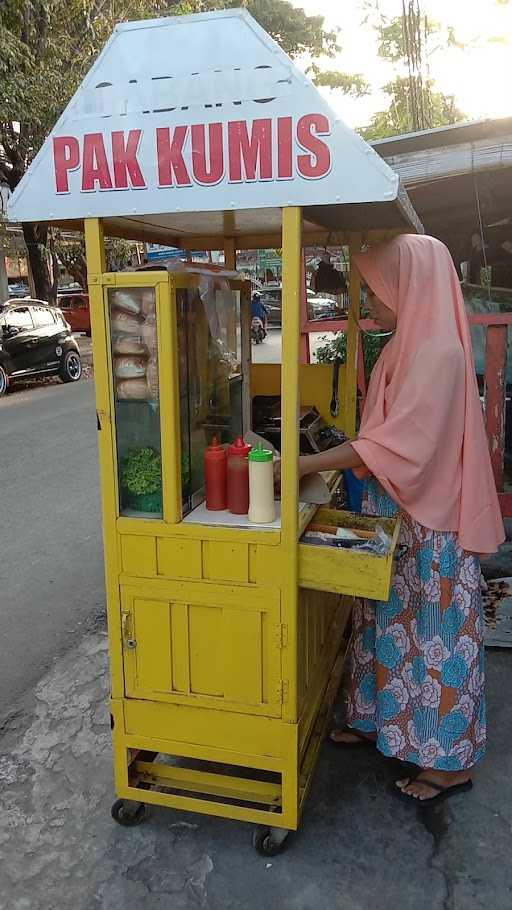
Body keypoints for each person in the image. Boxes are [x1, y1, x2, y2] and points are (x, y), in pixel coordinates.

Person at [296, 234, 504, 805]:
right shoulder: (403, 344)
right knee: (384, 624)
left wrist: (305, 463)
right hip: (398, 515)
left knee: (433, 639)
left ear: (408, 284)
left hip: (430, 524)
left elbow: (397, 446)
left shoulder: (440, 354)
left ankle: (448, 765)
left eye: (376, 290)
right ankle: (378, 722)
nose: (368, 305)